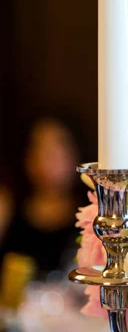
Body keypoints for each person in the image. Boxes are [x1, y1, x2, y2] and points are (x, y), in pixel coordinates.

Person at [0, 113, 86, 278]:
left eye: (58, 148)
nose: (47, 158)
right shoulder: (6, 206)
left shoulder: (93, 213)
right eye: (39, 148)